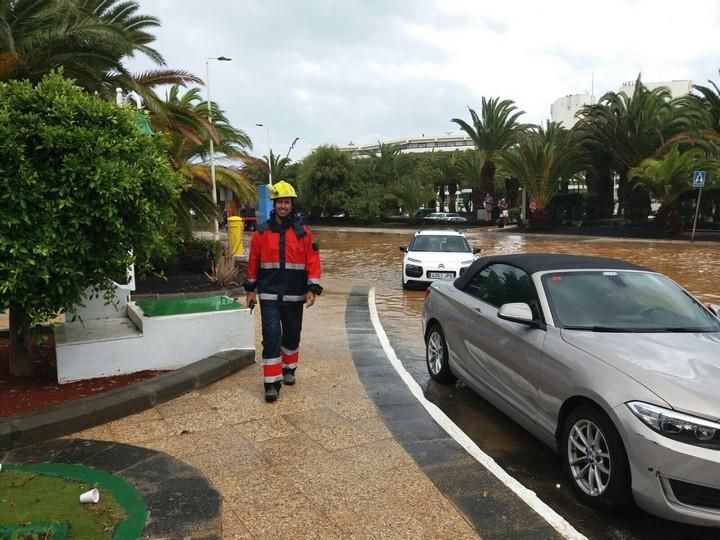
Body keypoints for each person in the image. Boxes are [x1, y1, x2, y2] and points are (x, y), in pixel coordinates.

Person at [243, 180, 322, 403]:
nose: (283, 206)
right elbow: (253, 263)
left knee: (291, 335)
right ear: (274, 204)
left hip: (294, 295)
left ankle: (289, 369)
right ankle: (271, 384)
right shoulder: (261, 233)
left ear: (292, 204)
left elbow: (313, 261)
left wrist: (312, 289)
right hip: (268, 295)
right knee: (271, 337)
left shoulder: (304, 234)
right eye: (279, 202)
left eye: (286, 202)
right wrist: (250, 291)